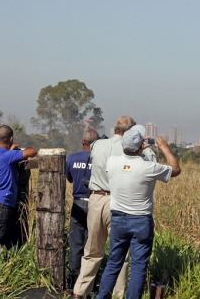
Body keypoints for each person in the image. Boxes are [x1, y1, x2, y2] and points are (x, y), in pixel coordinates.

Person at [96, 125, 181, 299]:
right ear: (142, 146)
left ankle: (102, 296)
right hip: (141, 220)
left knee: (113, 263)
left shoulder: (112, 162)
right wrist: (164, 147)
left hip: (118, 219)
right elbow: (176, 169)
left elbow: (124, 164)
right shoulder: (148, 167)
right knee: (139, 267)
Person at [73, 116, 136, 298]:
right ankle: (117, 294)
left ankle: (79, 292)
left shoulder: (97, 145)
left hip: (95, 199)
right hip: (117, 200)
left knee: (91, 250)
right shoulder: (127, 148)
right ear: (129, 132)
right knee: (121, 253)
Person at [0, 125, 37, 268]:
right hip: (1, 206)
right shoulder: (7, 156)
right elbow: (32, 152)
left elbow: (2, 161)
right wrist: (19, 150)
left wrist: (11, 151)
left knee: (9, 238)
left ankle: (10, 266)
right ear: (11, 138)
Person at [65, 128, 99, 287]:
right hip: (96, 203)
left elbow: (69, 179)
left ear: (82, 141)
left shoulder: (72, 158)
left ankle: (73, 281)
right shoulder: (102, 160)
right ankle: (90, 283)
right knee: (91, 245)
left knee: (75, 243)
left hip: (78, 203)